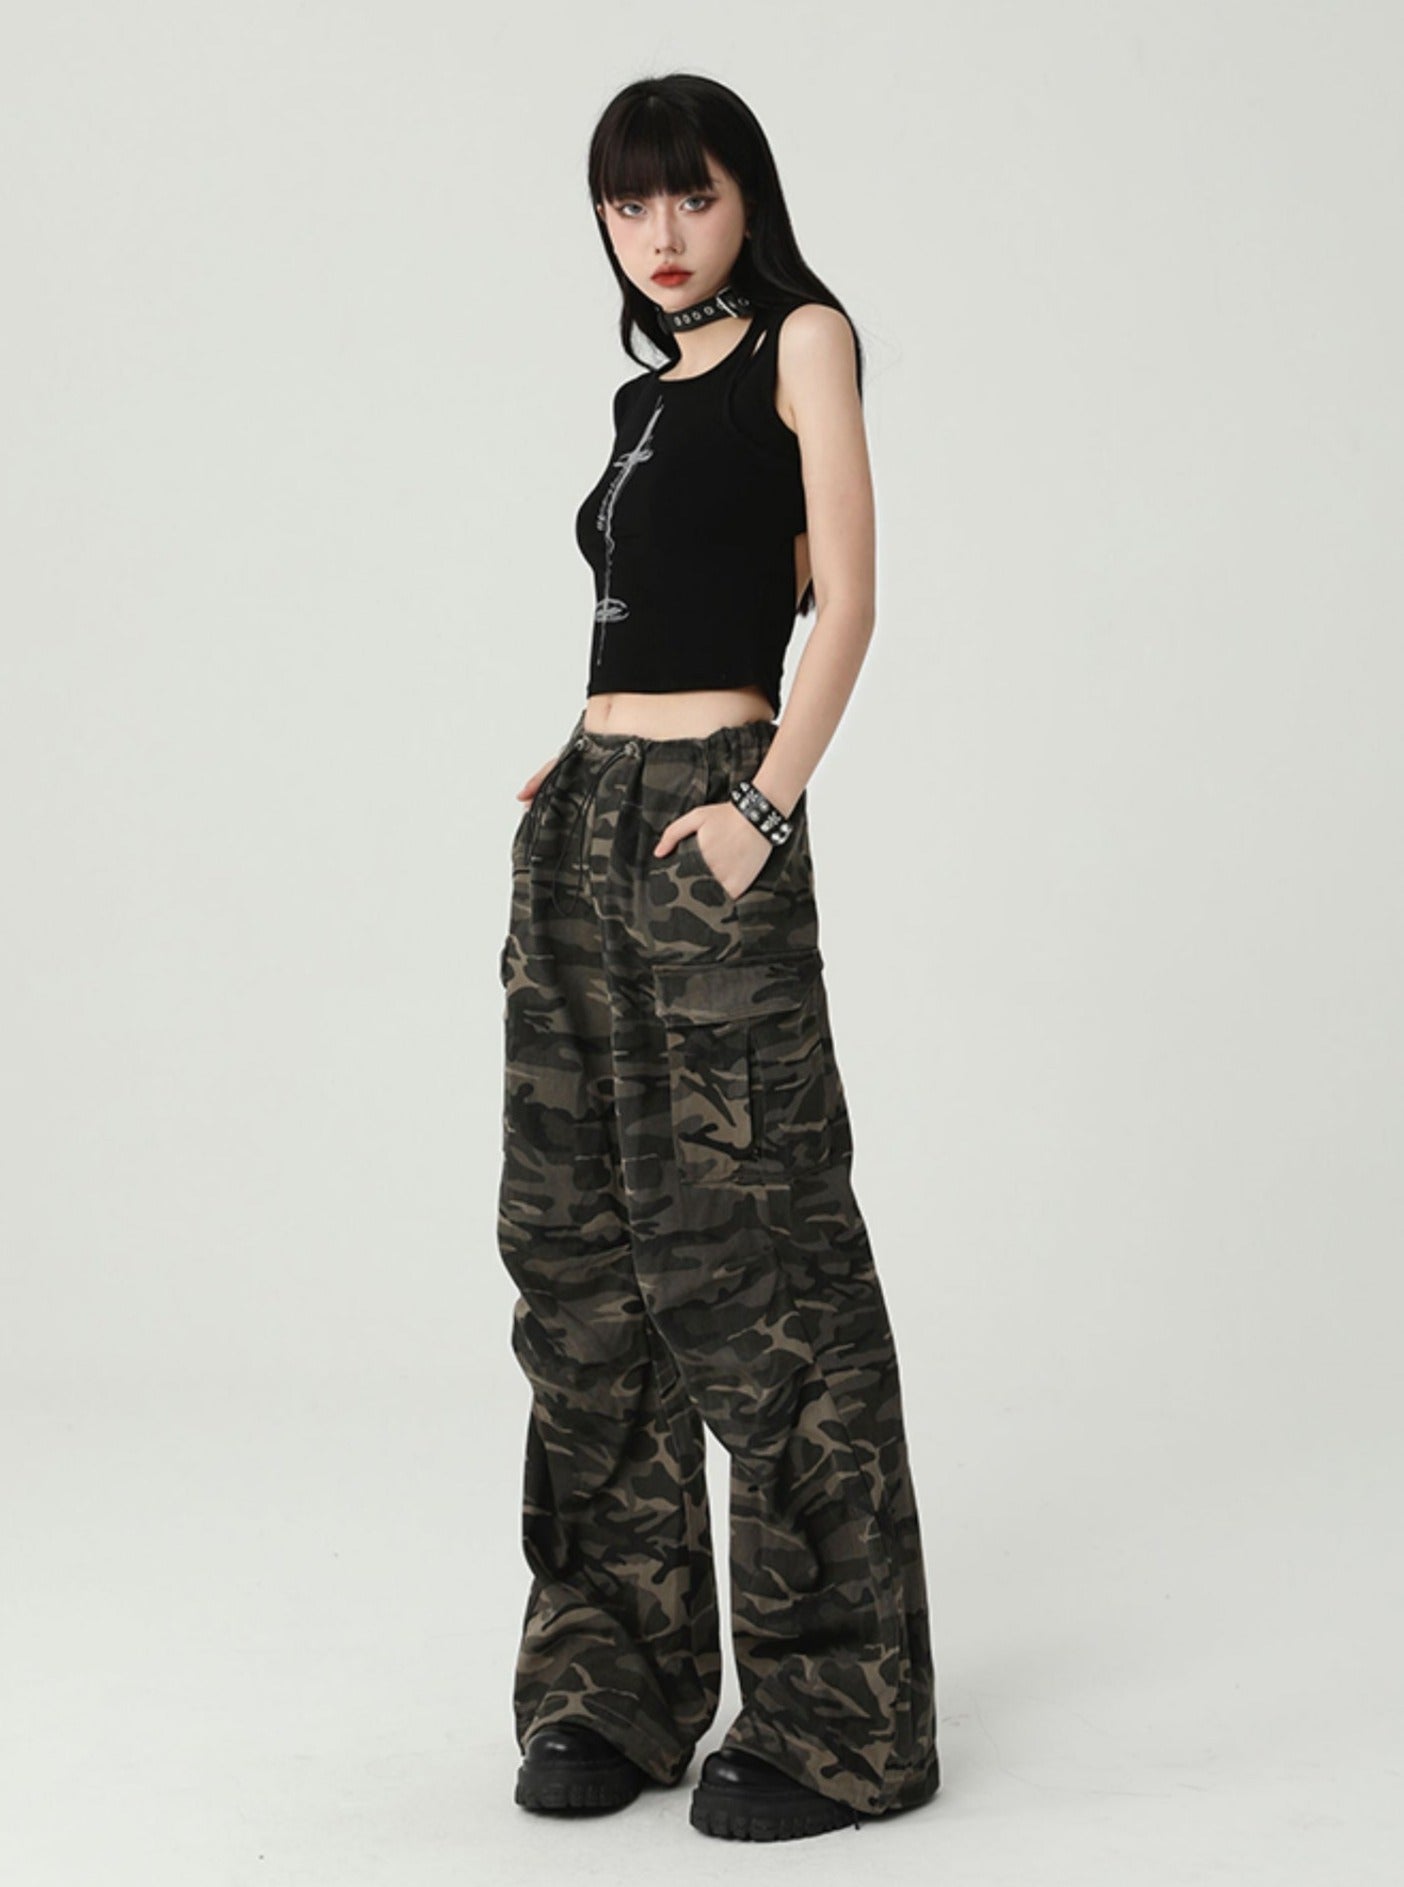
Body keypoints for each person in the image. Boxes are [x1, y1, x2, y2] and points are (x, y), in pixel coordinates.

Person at [498, 73, 940, 1843]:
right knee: (582, 1257)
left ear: (746, 192)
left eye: (689, 196)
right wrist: (574, 764)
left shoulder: (803, 344)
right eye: (628, 206)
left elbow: (851, 598)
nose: (660, 235)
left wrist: (763, 804)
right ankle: (613, 1678)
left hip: (712, 821)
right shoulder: (642, 395)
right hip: (588, 824)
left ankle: (840, 1721)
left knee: (759, 1259)